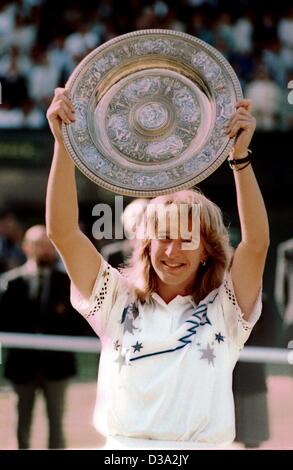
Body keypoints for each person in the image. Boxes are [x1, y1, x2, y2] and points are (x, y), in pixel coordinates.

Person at [46, 88, 269, 449]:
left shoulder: (226, 310)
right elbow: (63, 233)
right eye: (163, 236)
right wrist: (63, 145)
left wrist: (239, 158)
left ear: (207, 253)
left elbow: (256, 244)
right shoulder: (114, 299)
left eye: (187, 239)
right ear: (146, 247)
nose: (172, 250)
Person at [0, 225, 86, 449]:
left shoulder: (68, 283)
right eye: (41, 246)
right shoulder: (10, 283)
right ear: (26, 248)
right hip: (21, 366)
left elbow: (78, 324)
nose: (47, 251)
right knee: (21, 426)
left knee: (57, 426)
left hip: (57, 367)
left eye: (50, 246)